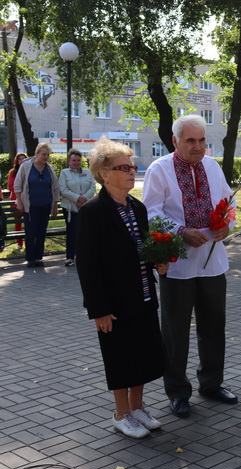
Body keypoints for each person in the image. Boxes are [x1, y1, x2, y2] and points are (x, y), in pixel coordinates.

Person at [142, 114, 237, 419]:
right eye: (190, 141)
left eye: (202, 141)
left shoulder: (211, 165)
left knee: (214, 325)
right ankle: (178, 391)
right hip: (177, 264)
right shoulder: (160, 169)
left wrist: (227, 225)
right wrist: (181, 231)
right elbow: (151, 212)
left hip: (212, 261)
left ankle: (211, 383)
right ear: (175, 141)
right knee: (175, 330)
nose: (198, 147)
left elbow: (228, 201)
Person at [76, 137, 168, 439]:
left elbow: (141, 249)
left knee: (143, 354)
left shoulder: (137, 208)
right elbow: (87, 265)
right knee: (119, 358)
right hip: (113, 304)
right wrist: (98, 309)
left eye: (133, 166)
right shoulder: (93, 212)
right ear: (104, 174)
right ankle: (120, 414)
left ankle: (137, 406)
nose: (132, 171)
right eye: (124, 167)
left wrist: (158, 262)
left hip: (142, 295)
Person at [13, 144, 59, 267]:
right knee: (31, 232)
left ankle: (38, 257)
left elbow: (55, 188)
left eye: (48, 155)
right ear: (37, 153)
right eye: (44, 154)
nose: (46, 157)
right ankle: (30, 258)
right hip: (30, 206)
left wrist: (55, 206)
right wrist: (19, 202)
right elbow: (17, 185)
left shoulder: (49, 168)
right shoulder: (26, 166)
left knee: (41, 232)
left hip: (45, 205)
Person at [58, 148, 96, 266]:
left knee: (85, 233)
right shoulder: (64, 173)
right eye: (74, 160)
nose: (76, 163)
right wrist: (77, 199)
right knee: (72, 232)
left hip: (85, 207)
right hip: (71, 207)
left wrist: (84, 199)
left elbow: (92, 187)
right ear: (69, 161)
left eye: (78, 160)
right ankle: (70, 257)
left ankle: (85, 256)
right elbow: (63, 190)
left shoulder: (88, 172)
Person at [7, 152, 28, 249]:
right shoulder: (13, 172)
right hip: (15, 200)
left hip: (27, 200)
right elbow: (11, 186)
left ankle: (30, 242)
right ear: (17, 160)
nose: (22, 160)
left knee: (29, 222)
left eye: (24, 158)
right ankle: (19, 243)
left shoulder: (29, 170)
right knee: (18, 223)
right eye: (20, 159)